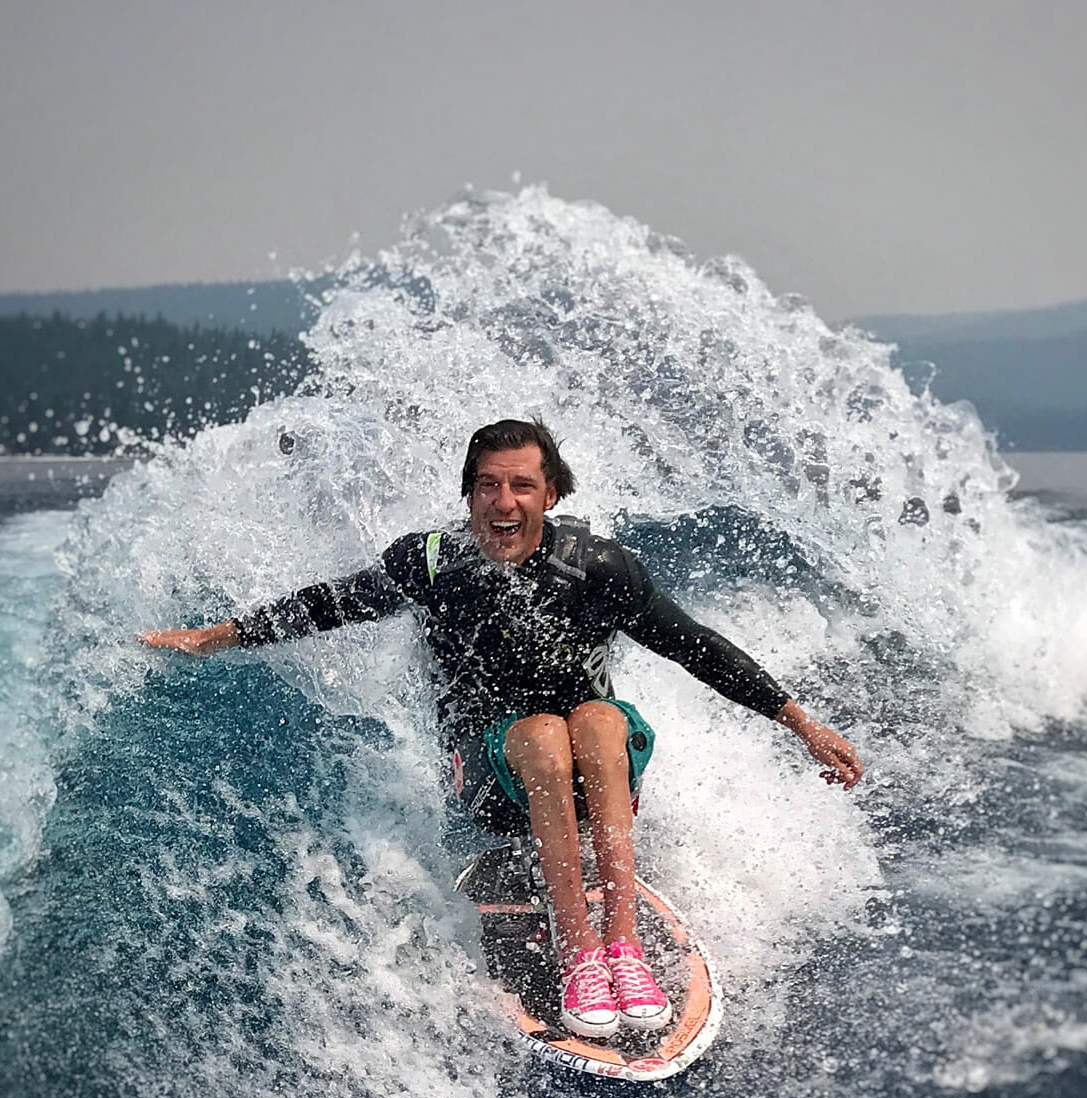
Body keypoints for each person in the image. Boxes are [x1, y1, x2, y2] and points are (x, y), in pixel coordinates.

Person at [139, 419, 864, 1039]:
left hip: (599, 768)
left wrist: (797, 722)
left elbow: (694, 643)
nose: (504, 501)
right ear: (469, 494)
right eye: (488, 484)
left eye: (521, 485)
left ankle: (622, 946)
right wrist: (216, 636)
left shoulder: (598, 566)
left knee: (597, 718)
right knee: (544, 731)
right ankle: (581, 953)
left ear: (552, 494)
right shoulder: (431, 563)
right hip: (492, 782)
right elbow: (329, 604)